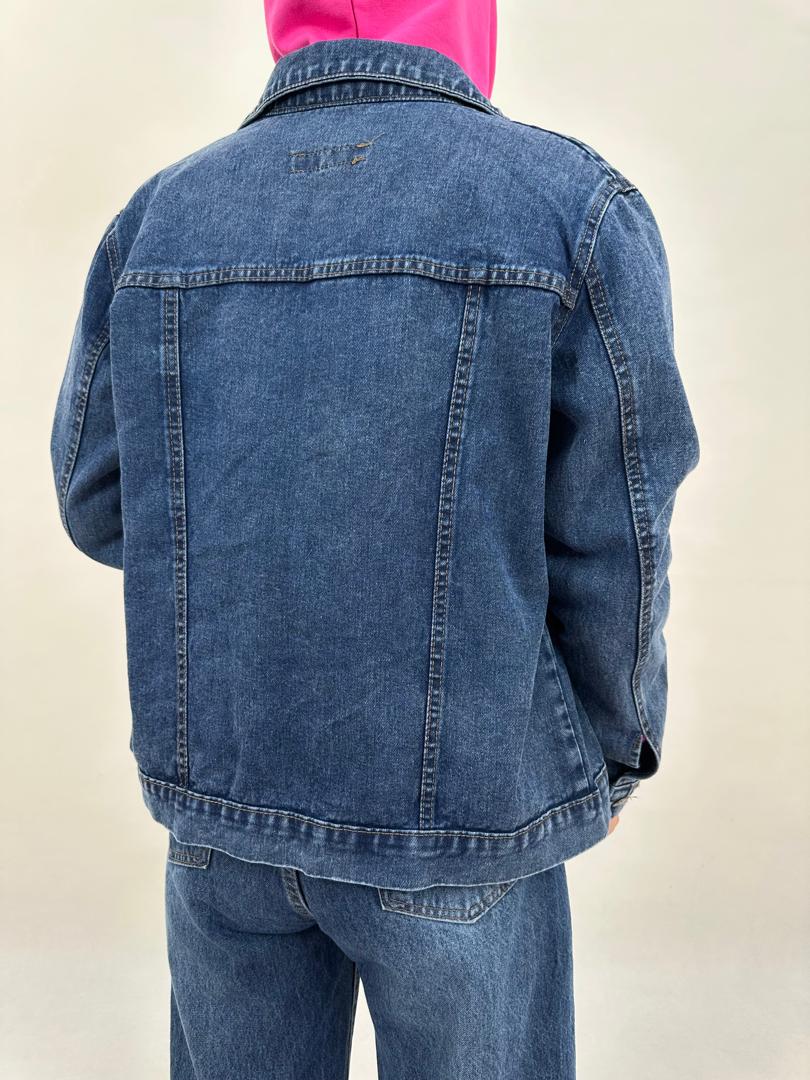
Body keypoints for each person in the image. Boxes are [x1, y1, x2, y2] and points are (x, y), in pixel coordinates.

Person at [49, 1, 700, 1076]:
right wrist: (617, 751)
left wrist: (263, 540)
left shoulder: (160, 220)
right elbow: (615, 531)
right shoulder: (569, 208)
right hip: (465, 811)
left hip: (222, 801)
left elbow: (98, 499)